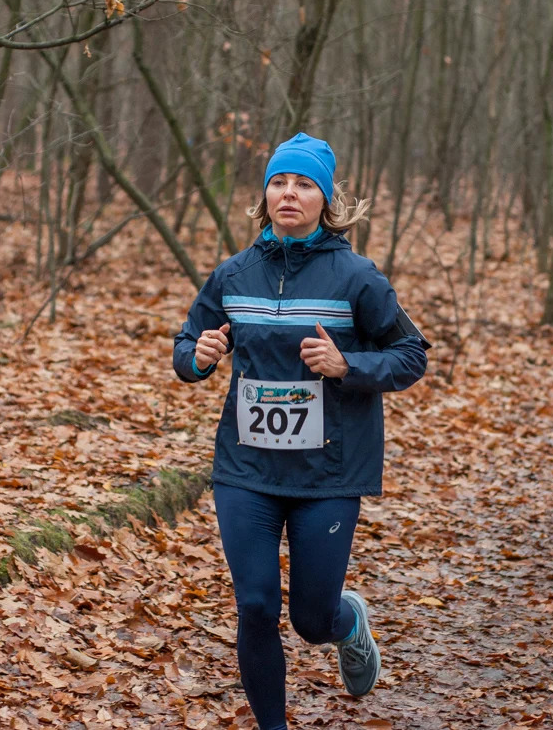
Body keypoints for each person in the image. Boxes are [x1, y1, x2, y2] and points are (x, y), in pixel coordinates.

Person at [172, 132, 428, 730]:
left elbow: (411, 354)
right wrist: (198, 357)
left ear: (325, 200)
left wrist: (347, 365)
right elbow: (186, 347)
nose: (289, 193)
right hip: (246, 469)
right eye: (279, 183)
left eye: (304, 184)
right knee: (256, 605)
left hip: (328, 474)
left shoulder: (357, 277)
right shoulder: (233, 274)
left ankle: (348, 624)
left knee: (312, 621)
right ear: (265, 196)